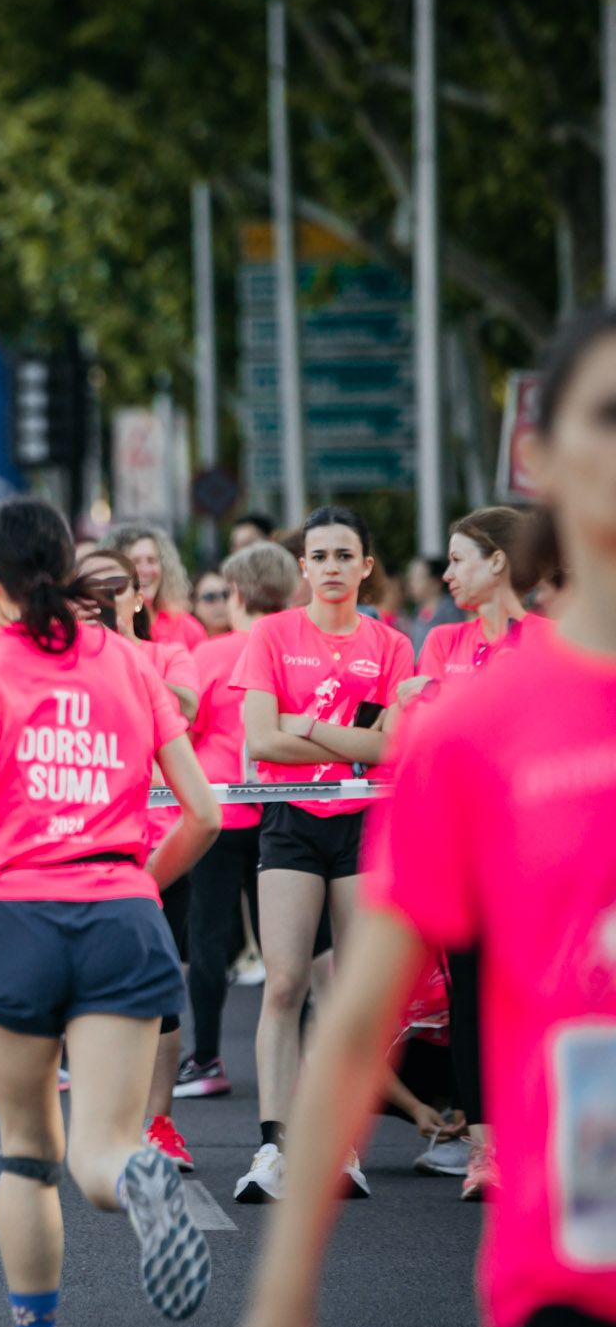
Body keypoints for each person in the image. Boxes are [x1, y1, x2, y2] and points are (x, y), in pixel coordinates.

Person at [238, 306, 616, 1327]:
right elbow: (354, 1022)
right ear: (541, 458)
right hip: (578, 1263)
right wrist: (280, 1297)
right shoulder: (475, 725)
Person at [0, 497, 222, 1327]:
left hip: (12, 913)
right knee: (105, 1149)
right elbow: (201, 812)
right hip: (121, 915)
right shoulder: (133, 662)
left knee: (28, 1151)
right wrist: (136, 876)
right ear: (65, 571)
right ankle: (139, 1177)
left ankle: (36, 1325)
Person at [231, 504, 414, 1205]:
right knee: (283, 984)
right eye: (321, 555)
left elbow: (390, 747)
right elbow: (263, 742)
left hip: (364, 823)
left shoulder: (391, 645)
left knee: (346, 993)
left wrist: (302, 722)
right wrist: (338, 738)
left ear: (366, 565)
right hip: (291, 819)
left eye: (346, 555)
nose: (332, 567)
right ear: (302, 565)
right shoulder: (273, 633)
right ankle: (275, 1145)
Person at [396, 505, 553, 1201]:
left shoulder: (551, 638)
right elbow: (421, 741)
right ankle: (485, 1147)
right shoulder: (442, 642)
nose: (449, 573)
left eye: (460, 558)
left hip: (540, 850)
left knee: (540, 998)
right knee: (472, 1003)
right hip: (462, 850)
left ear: (499, 561)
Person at [74, 549, 201, 1173]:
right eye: (87, 587)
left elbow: (187, 708)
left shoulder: (164, 656)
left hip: (157, 846)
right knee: (88, 987)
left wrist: (122, 653)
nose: (100, 596)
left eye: (114, 586)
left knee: (160, 983)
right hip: (79, 844)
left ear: (138, 596)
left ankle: (158, 1122)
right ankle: (106, 1123)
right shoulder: (57, 663)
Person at [172, 544, 298, 1104]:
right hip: (290, 805)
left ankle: (205, 1057)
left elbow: (184, 730)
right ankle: (301, 1058)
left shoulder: (211, 654)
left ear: (237, 594)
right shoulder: (298, 650)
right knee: (292, 946)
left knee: (209, 936)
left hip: (219, 807)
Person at [100, 522, 205, 649]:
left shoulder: (187, 628)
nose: (146, 570)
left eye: (152, 560)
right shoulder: (102, 630)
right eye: (135, 562)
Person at [191, 571, 232, 637]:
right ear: (193, 604)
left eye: (225, 595)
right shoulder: (186, 644)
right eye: (210, 597)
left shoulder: (248, 639)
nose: (220, 603)